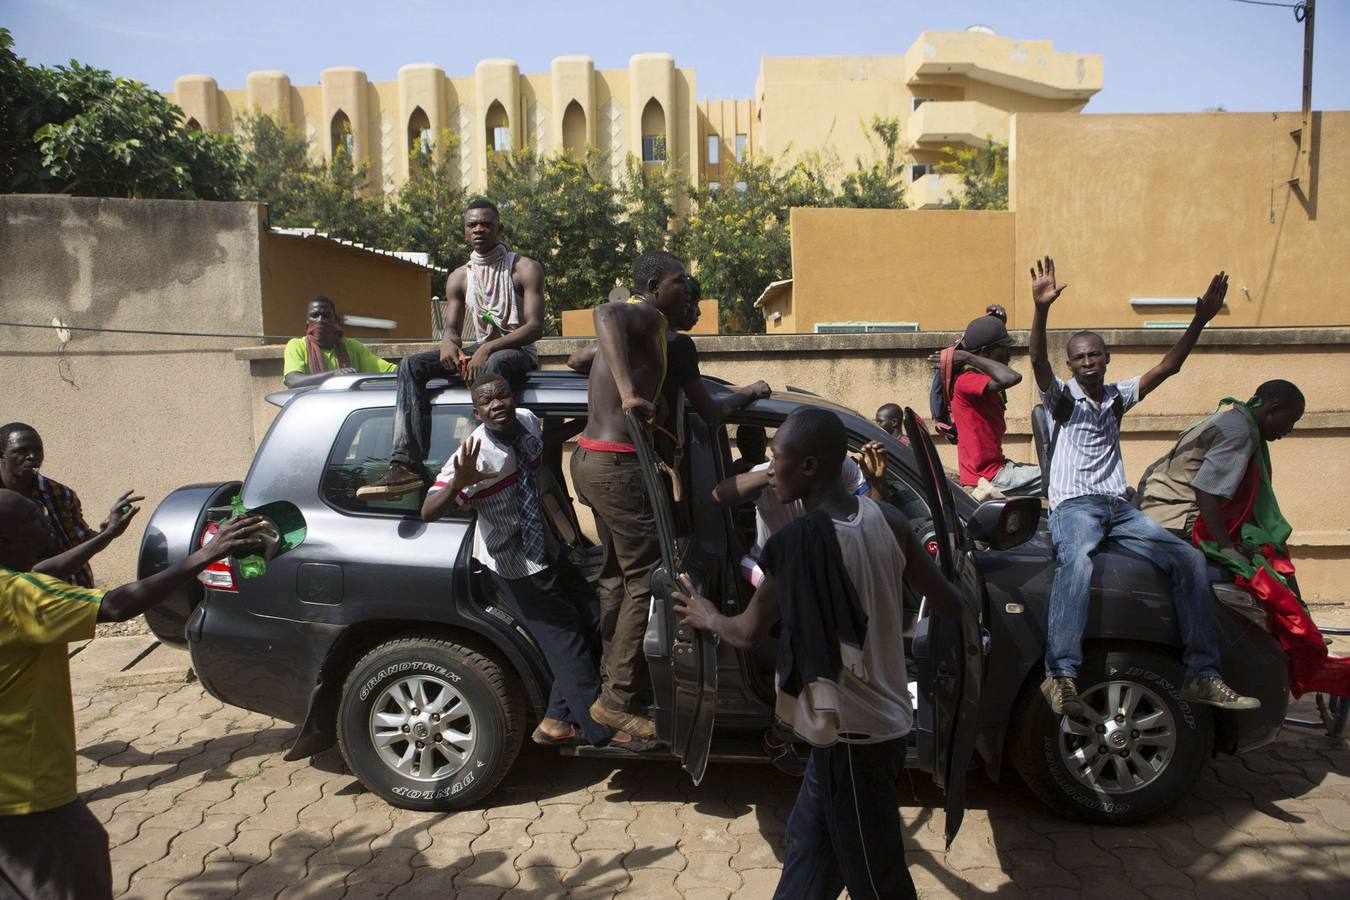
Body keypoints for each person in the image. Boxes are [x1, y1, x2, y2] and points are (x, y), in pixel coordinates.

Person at [674, 408, 976, 900]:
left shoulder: (799, 542)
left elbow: (748, 633)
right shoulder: (890, 520)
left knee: (878, 878)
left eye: (777, 459)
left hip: (857, 739)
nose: (772, 469)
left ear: (810, 467)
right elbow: (948, 601)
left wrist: (708, 615)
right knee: (808, 846)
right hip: (872, 725)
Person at [0, 489, 265, 900]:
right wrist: (206, 554)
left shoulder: (14, 582)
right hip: (25, 791)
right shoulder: (18, 597)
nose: (47, 525)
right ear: (6, 541)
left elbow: (41, 569)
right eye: (35, 521)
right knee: (72, 873)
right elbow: (115, 606)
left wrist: (106, 535)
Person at [1027, 255, 1258, 715]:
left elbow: (1168, 366)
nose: (1088, 362)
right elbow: (1036, 359)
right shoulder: (1064, 401)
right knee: (1076, 564)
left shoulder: (1117, 396)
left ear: (1107, 359)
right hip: (1075, 506)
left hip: (1120, 507)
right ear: (1070, 366)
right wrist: (1042, 310)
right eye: (1079, 358)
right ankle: (1061, 675)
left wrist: (1199, 319)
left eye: (1095, 355)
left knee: (1188, 560)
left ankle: (1202, 674)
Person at [421, 376, 642, 748]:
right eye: (486, 401)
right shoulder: (473, 451)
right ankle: (601, 727)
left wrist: (593, 418)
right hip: (516, 564)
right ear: (477, 412)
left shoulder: (525, 419)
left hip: (549, 548)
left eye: (502, 395)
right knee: (566, 639)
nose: (497, 404)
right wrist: (459, 482)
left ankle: (556, 719)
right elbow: (428, 511)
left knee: (594, 616)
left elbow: (545, 442)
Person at [570, 250, 690, 740]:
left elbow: (579, 356)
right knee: (648, 577)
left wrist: (603, 363)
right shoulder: (643, 312)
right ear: (657, 284)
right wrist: (628, 391)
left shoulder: (646, 329)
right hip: (618, 463)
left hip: (591, 462)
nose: (687, 289)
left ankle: (609, 681)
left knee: (618, 574)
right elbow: (604, 313)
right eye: (681, 282)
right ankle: (617, 700)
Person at [359, 200, 545, 500]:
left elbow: (535, 328)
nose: (479, 229)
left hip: (517, 350)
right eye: (472, 224)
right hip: (482, 350)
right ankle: (405, 466)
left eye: (486, 223)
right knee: (411, 365)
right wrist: (448, 341)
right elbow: (452, 329)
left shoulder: (523, 268)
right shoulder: (460, 276)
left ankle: (476, 462)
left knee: (491, 368)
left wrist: (487, 348)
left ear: (499, 228)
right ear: (465, 231)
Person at [1138, 380, 1306, 553]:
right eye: (1291, 420)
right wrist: (1226, 546)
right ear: (1274, 409)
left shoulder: (1233, 419)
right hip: (1177, 516)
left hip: (1158, 506)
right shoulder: (1240, 432)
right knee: (1263, 563)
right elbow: (1206, 491)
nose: (1290, 429)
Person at [0, 423, 140, 588]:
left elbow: (78, 545)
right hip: (22, 604)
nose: (32, 456)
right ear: (1, 455)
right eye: (22, 450)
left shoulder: (60, 494)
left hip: (75, 595)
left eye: (38, 450)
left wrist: (109, 529)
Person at [933, 314, 1040, 499]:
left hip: (997, 469)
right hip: (990, 476)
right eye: (1003, 349)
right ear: (986, 352)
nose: (1009, 354)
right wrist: (968, 357)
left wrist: (998, 324)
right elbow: (1011, 378)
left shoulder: (978, 377)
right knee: (1061, 475)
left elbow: (996, 370)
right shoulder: (967, 380)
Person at [282, 294, 396, 388]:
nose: (320, 320)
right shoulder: (297, 346)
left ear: (335, 319)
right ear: (307, 321)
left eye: (326, 315)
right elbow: (293, 380)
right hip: (311, 409)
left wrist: (410, 367)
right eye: (314, 316)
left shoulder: (352, 347)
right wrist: (334, 375)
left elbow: (389, 370)